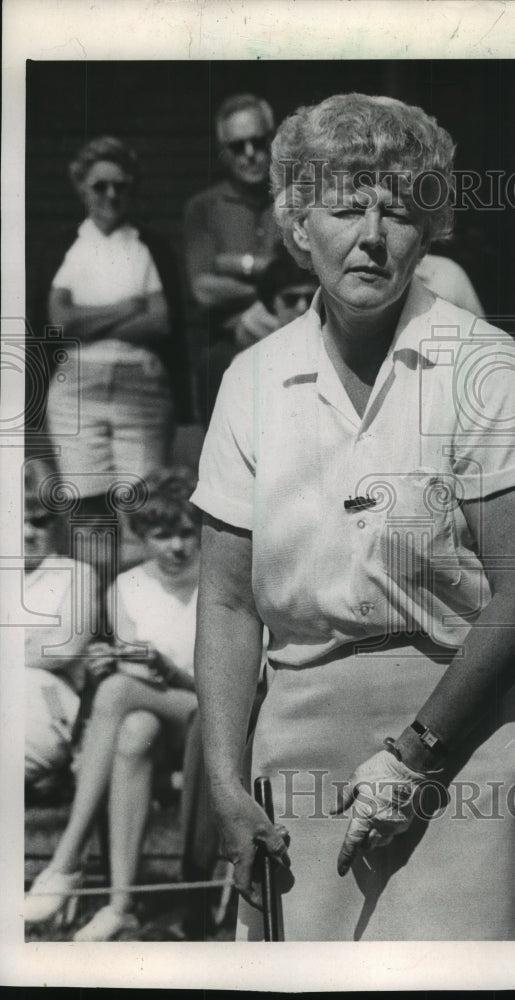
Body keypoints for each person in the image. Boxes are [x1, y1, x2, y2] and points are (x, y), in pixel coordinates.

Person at [191, 93, 515, 941]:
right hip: (300, 745)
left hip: (472, 740)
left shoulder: (488, 369)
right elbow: (224, 603)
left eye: (399, 211)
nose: (372, 234)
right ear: (297, 223)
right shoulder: (252, 380)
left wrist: (414, 754)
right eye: (344, 205)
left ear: (429, 229)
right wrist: (224, 783)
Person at [25, 469, 201, 940]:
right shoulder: (124, 588)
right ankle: (121, 906)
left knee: (120, 694)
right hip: (155, 722)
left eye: (187, 532)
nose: (177, 547)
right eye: (162, 534)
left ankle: (66, 861)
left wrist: (167, 671)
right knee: (134, 727)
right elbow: (132, 673)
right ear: (141, 535)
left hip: (209, 720)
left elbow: (231, 685)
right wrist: (109, 664)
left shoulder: (221, 587)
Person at [44, 136, 187, 510]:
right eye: (100, 186)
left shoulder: (150, 247)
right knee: (88, 514)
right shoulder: (63, 247)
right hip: (76, 390)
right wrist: (127, 307)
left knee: (142, 511)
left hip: (141, 389)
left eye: (120, 186)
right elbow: (58, 324)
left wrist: (85, 321)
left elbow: (160, 323)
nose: (111, 195)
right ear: (81, 188)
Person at [183, 93, 282, 419]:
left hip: (290, 339)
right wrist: (268, 280)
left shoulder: (295, 200)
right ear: (223, 152)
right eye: (238, 146)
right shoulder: (203, 209)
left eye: (258, 142)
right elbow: (203, 291)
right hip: (226, 346)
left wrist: (230, 264)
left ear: (273, 140)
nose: (250, 154)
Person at [24, 463, 98, 794]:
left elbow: (65, 648)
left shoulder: (75, 574)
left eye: (39, 521)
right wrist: (31, 643)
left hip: (49, 699)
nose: (28, 533)